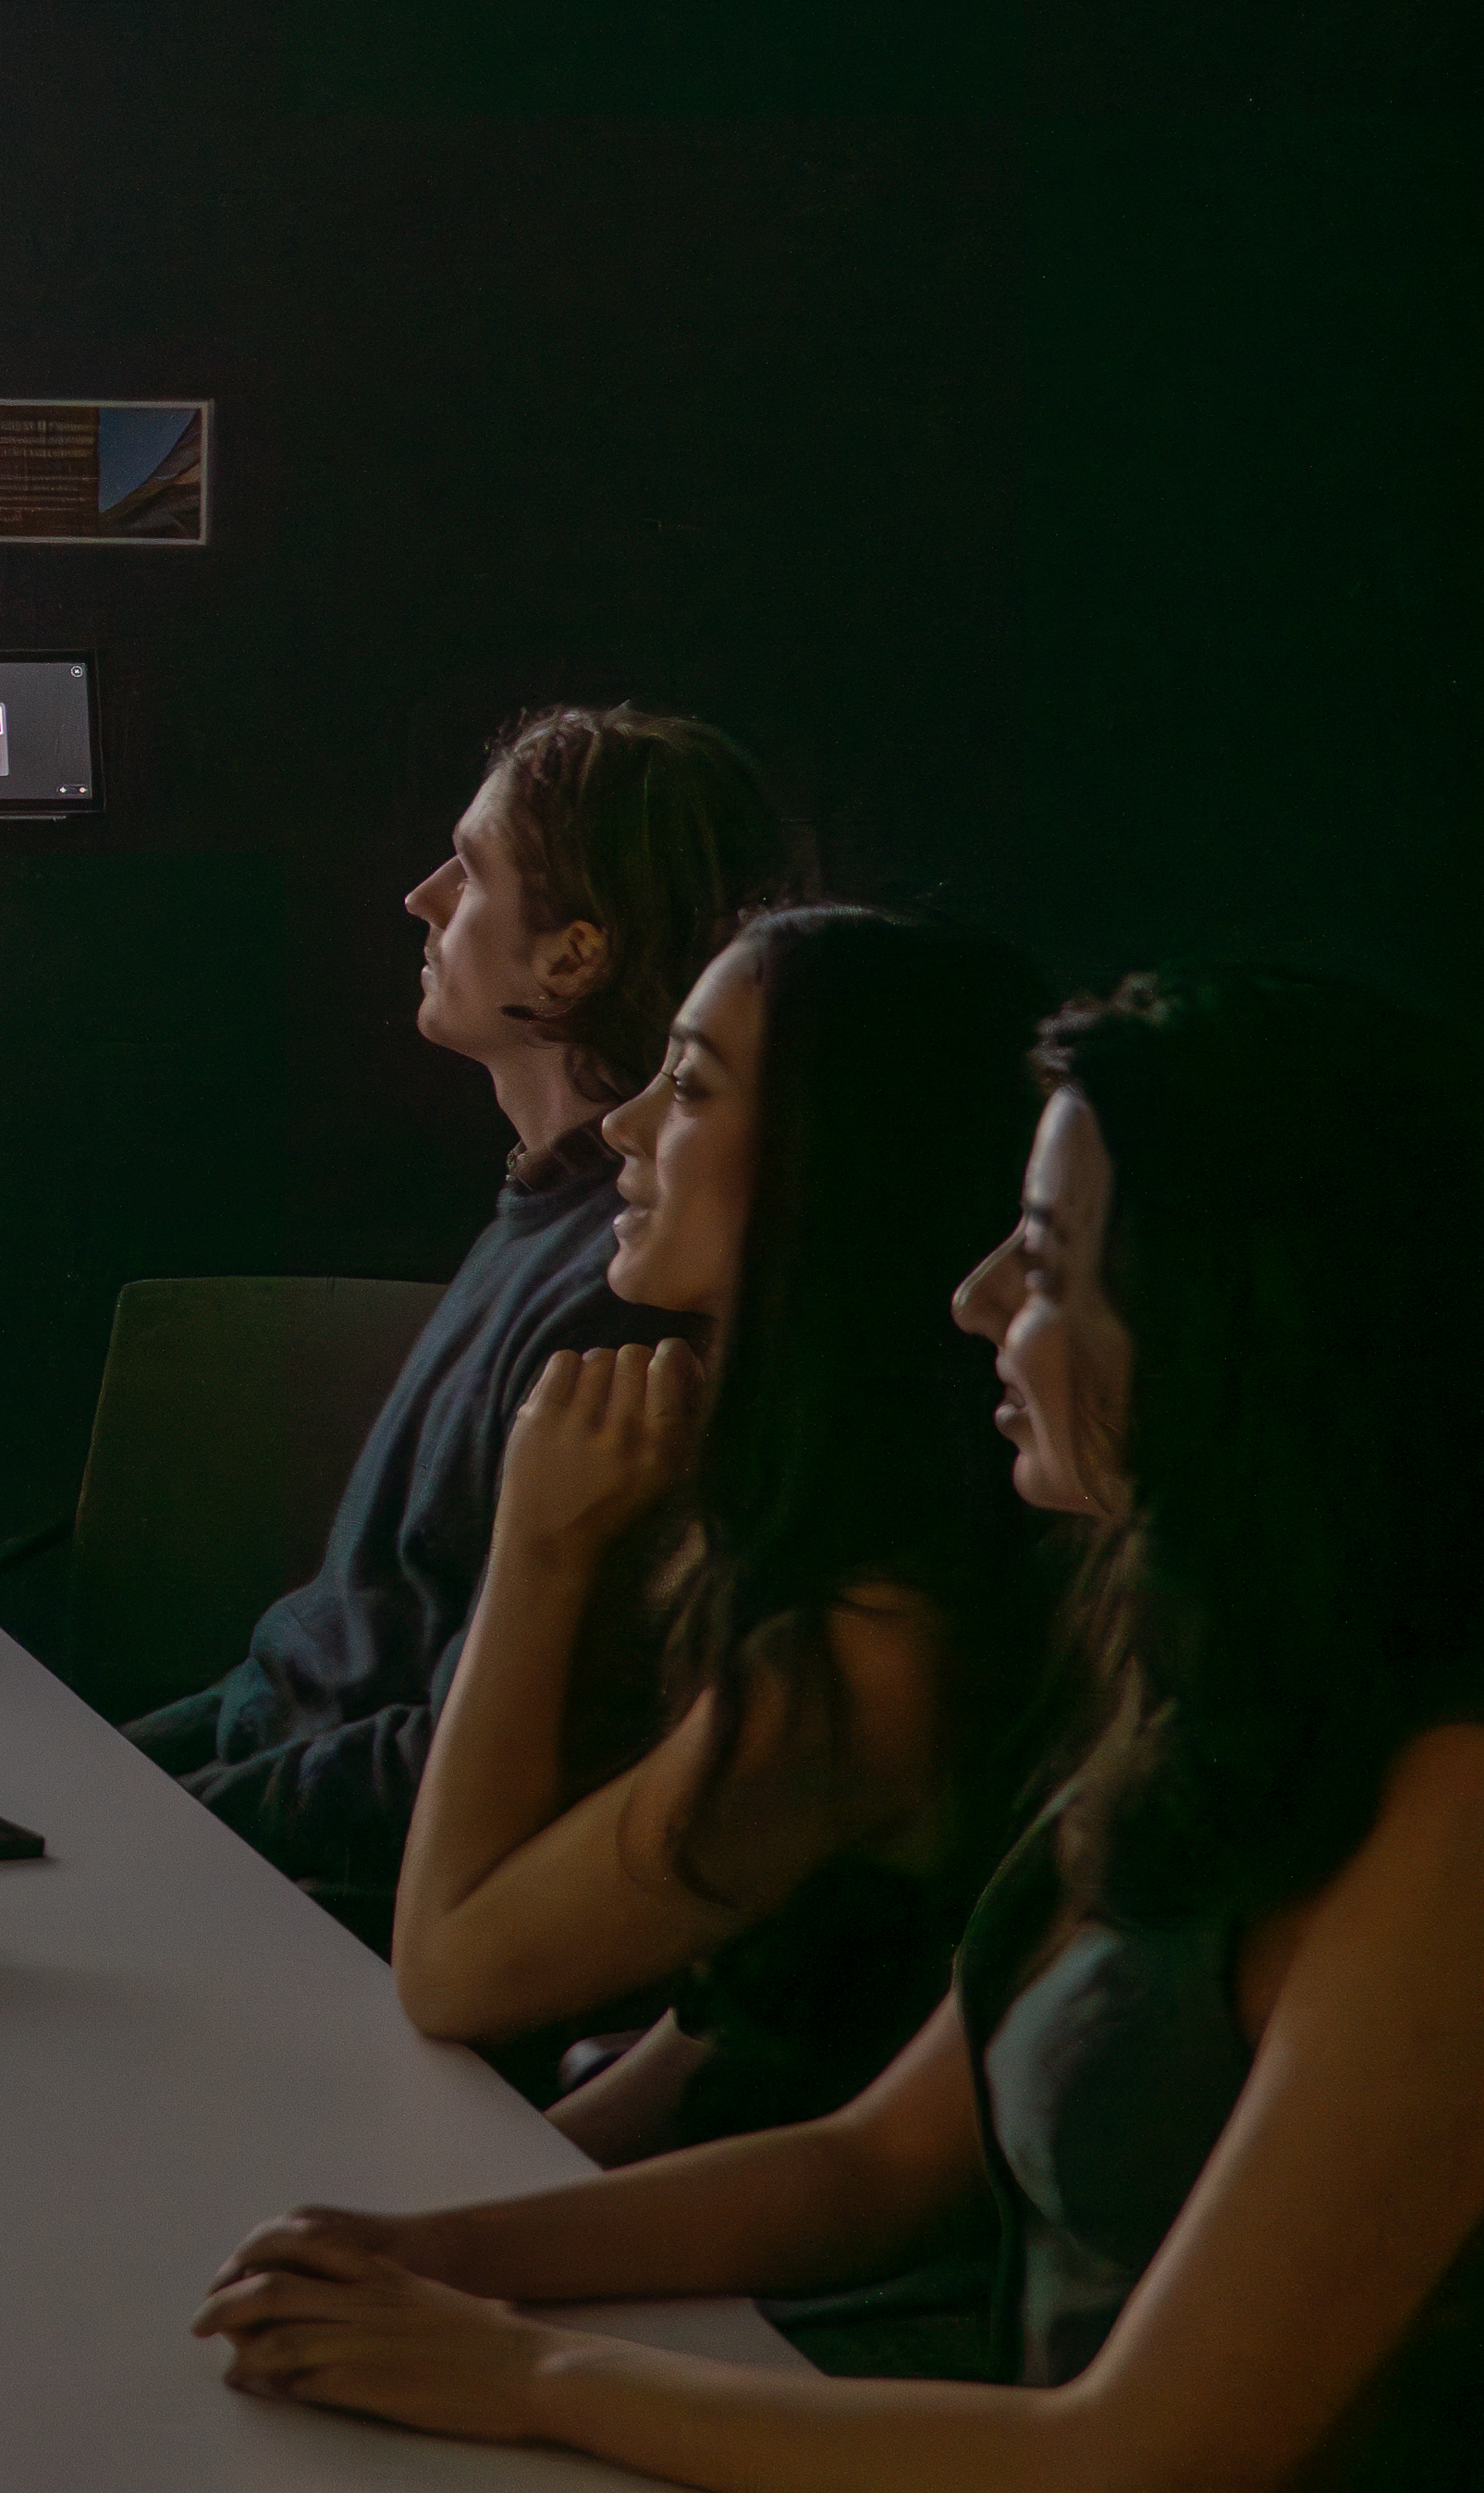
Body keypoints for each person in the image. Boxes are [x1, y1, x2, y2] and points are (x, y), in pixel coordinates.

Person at [197, 967, 1484, 2486]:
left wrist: (522, 2368)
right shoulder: (1175, 1674)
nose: (975, 1299)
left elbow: (1151, 2446)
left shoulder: (1444, 1811)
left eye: (1048, 1260)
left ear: (1241, 1322)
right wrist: (430, 2248)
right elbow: (871, 2159)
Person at [386, 908, 1065, 2183]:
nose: (621, 1127)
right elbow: (733, 2024)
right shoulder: (823, 1526)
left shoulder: (863, 1650)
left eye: (687, 1084)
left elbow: (450, 1969)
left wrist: (537, 1549)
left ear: (835, 1165)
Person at [130, 705, 802, 1924]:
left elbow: (446, 1751)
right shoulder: (544, 1212)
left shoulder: (626, 1295)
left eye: (471, 870)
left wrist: (128, 1824)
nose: (419, 898)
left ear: (569, 958)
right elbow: (310, 1667)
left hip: (311, 1887)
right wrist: (95, 1778)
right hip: (248, 1798)